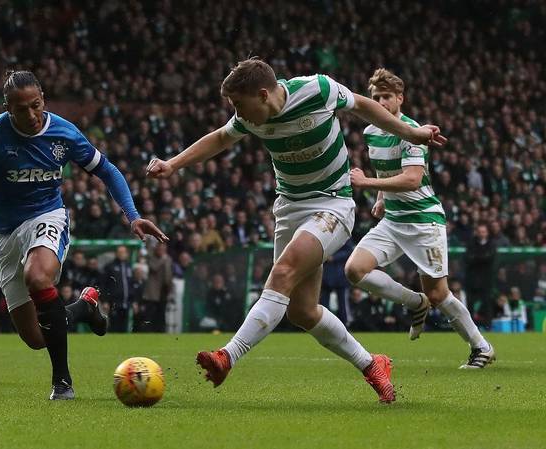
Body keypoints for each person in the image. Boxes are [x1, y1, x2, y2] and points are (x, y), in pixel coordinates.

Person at [148, 58, 446, 403]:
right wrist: (173, 164)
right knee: (302, 311)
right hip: (289, 207)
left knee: (283, 272)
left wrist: (411, 133)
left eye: (239, 104)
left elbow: (363, 106)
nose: (237, 113)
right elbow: (219, 138)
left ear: (263, 95)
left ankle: (227, 356)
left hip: (333, 204)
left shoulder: (317, 89)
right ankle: (372, 364)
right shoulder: (250, 117)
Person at [0, 70, 168, 400]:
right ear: (7, 107)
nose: (32, 115)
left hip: (46, 216)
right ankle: (84, 307)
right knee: (35, 337)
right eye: (22, 109)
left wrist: (132, 216)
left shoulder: (64, 133)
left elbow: (107, 170)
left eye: (36, 105)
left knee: (37, 276)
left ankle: (62, 382)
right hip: (3, 234)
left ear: (43, 99)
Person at [345, 68, 494, 369]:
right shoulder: (371, 132)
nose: (381, 103)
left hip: (423, 221)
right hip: (393, 221)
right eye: (376, 97)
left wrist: (366, 183)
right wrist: (381, 198)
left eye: (387, 97)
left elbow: (412, 179)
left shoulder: (413, 132)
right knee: (354, 270)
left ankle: (481, 347)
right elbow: (387, 170)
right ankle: (415, 302)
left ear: (400, 98)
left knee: (438, 293)